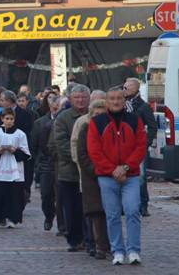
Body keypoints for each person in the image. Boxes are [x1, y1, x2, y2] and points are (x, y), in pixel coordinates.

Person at [87, 86, 147, 265]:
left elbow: (140, 146)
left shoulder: (134, 120)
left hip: (131, 175)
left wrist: (126, 167)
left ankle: (134, 250)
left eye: (119, 98)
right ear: (107, 101)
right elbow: (94, 150)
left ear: (124, 100)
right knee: (112, 215)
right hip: (107, 176)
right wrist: (113, 169)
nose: (115, 101)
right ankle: (117, 250)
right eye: (112, 98)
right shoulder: (97, 122)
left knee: (132, 211)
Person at [53, 84, 90, 252]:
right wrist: (81, 159)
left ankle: (91, 238)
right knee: (72, 207)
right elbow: (61, 144)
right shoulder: (63, 118)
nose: (81, 100)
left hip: (91, 172)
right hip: (70, 171)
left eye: (83, 97)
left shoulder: (94, 116)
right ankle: (75, 239)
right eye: (77, 98)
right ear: (71, 99)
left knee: (89, 208)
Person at [77, 99, 110, 260]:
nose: (98, 116)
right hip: (92, 177)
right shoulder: (85, 128)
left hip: (109, 175)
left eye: (101, 114)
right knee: (96, 213)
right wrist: (96, 170)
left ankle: (111, 244)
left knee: (110, 212)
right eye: (95, 114)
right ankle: (99, 246)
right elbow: (81, 154)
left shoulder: (111, 128)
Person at [0, 108, 31, 228]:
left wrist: (15, 150)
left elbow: (26, 154)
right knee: (1, 194)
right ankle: (1, 216)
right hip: (0, 168)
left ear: (14, 120)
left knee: (14, 195)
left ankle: (13, 219)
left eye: (11, 119)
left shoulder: (20, 134)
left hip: (15, 169)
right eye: (7, 118)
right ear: (2, 119)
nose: (9, 121)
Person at [124, 78, 157, 217]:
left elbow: (152, 126)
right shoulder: (120, 105)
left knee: (141, 176)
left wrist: (145, 143)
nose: (124, 90)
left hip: (138, 147)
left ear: (136, 89)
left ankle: (143, 205)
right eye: (124, 87)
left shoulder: (143, 106)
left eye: (127, 88)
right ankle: (125, 205)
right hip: (124, 146)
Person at [31, 94, 61, 231]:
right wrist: (37, 164)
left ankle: (63, 225)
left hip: (61, 164)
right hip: (45, 163)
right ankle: (49, 216)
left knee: (61, 196)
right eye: (53, 106)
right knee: (46, 195)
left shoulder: (63, 120)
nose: (55, 108)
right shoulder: (40, 123)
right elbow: (34, 146)